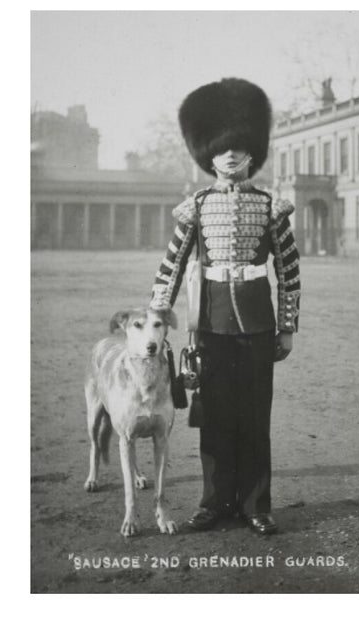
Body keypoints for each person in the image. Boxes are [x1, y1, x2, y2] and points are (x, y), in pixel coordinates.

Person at [150, 78, 300, 535]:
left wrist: (287, 327)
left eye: (239, 147)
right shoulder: (196, 205)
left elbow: (289, 271)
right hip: (210, 325)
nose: (231, 155)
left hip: (256, 325)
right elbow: (172, 264)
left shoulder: (270, 206)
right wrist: (159, 314)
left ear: (253, 153)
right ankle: (214, 502)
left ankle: (256, 504)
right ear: (208, 155)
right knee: (213, 417)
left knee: (255, 418)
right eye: (222, 148)